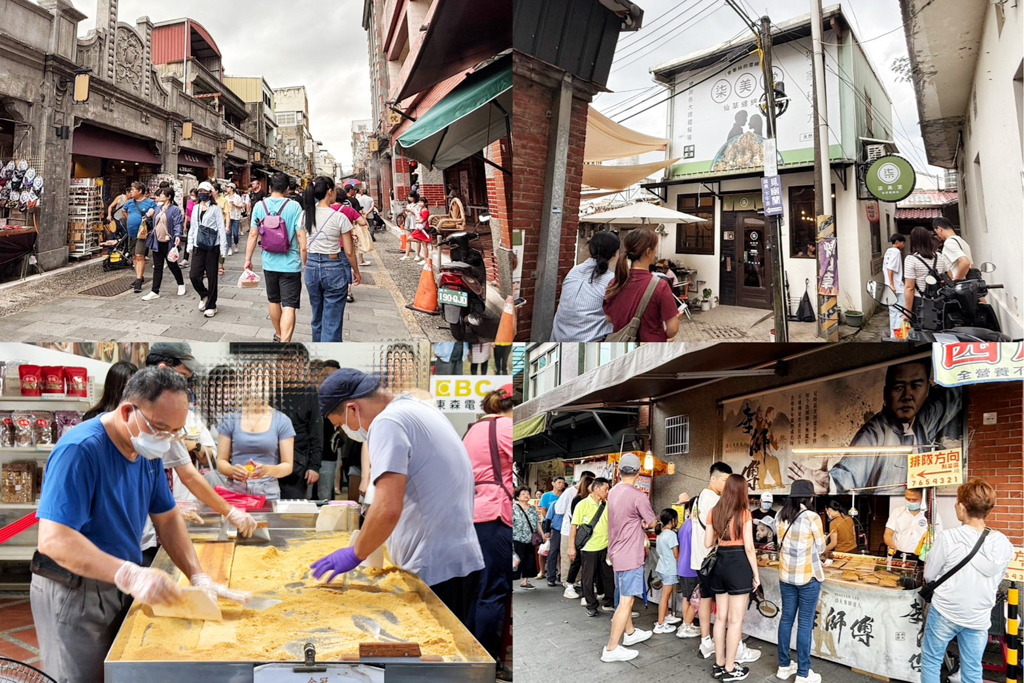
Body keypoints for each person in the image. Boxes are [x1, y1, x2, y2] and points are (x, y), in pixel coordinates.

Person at [30, 368, 247, 683]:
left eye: (176, 432)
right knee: (80, 676)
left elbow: (168, 517)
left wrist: (198, 576)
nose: (168, 439)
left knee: (118, 668)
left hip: (120, 580)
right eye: (160, 428)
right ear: (128, 411)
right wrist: (128, 573)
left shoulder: (148, 451)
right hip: (74, 587)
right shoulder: (81, 450)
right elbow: (54, 540)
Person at [311, 369, 485, 626]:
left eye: (340, 424)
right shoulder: (417, 408)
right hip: (458, 557)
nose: (346, 431)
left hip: (434, 568)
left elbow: (387, 508)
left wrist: (356, 553)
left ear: (352, 409)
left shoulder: (387, 422)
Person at [788, 358, 962, 494]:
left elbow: (951, 397)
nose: (907, 395)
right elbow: (851, 471)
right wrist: (830, 483)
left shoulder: (923, 419)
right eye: (898, 387)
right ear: (886, 393)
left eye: (916, 386)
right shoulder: (874, 433)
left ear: (927, 390)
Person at [144, 344, 258, 538]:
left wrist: (229, 511)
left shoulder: (179, 413)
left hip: (175, 513)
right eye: (182, 377)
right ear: (163, 370)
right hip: (140, 529)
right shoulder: (140, 417)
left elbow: (189, 474)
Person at [921, 478, 1014, 683]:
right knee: (972, 669)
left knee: (931, 661)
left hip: (945, 611)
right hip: (978, 616)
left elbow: (929, 575)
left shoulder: (949, 538)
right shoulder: (1003, 542)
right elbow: (997, 578)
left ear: (962, 507)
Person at [464, 385, 513, 662]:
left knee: (478, 590)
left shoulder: (472, 430)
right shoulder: (506, 428)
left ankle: (470, 654)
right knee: (494, 591)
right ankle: (486, 660)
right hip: (495, 514)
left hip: (471, 513)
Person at [705, 473, 761, 681]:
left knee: (720, 618)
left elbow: (707, 543)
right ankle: (730, 669)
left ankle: (719, 663)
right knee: (735, 621)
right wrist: (756, 575)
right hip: (739, 566)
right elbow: (749, 547)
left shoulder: (714, 512)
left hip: (720, 564)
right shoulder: (744, 513)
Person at [601, 453, 656, 663]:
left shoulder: (613, 492)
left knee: (625, 595)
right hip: (630, 555)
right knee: (626, 601)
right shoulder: (638, 496)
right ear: (639, 471)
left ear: (619, 470)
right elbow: (651, 521)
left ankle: (630, 634)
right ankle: (612, 648)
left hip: (615, 552)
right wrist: (643, 523)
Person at [216, 363, 296, 501]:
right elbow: (221, 461)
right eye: (251, 384)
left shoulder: (282, 421)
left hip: (268, 491)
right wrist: (234, 471)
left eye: (262, 384)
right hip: (236, 490)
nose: (256, 390)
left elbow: (288, 465)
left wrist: (267, 470)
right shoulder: (230, 419)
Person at [246, 171, 308, 343]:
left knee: (274, 300)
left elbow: (253, 235)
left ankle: (279, 334)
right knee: (289, 305)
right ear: (287, 188)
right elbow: (302, 237)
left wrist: (247, 259)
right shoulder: (294, 206)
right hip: (291, 263)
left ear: (270, 187)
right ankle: (285, 342)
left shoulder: (259, 206)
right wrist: (305, 260)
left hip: (269, 262)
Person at [775, 479, 825, 683]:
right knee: (804, 624)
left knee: (786, 619)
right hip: (807, 577)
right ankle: (804, 673)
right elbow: (821, 547)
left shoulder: (781, 516)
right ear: (810, 497)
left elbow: (779, 542)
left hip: (786, 576)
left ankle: (784, 666)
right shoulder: (812, 517)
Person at [303, 176, 360, 342]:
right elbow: (349, 251)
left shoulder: (306, 214)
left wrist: (307, 266)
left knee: (317, 317)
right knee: (332, 321)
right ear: (330, 192)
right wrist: (356, 271)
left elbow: (303, 247)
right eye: (334, 189)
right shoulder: (339, 217)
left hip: (312, 267)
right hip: (334, 267)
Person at [691, 462, 737, 659]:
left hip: (699, 559)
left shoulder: (699, 497)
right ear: (713, 479)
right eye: (725, 480)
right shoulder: (713, 499)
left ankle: (706, 641)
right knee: (720, 603)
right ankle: (726, 644)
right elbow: (721, 531)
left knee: (705, 600)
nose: (727, 485)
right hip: (711, 560)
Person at [603, 228, 682, 342]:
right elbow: (672, 330)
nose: (656, 253)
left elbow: (609, 318)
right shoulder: (660, 285)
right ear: (648, 252)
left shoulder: (615, 282)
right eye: (655, 248)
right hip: (652, 348)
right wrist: (676, 320)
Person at [274, 346, 323, 500]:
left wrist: (314, 466)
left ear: (303, 367)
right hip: (269, 460)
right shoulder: (268, 390)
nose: (289, 368)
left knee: (291, 513)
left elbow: (316, 432)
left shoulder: (309, 393)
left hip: (297, 466)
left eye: (295, 364)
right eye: (285, 362)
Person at [551, 231, 620, 342]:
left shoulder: (574, 271)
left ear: (590, 249)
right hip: (591, 340)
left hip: (558, 336)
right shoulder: (611, 280)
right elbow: (618, 318)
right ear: (615, 253)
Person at [570, 477, 612, 618]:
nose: (607, 491)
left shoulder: (607, 505)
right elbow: (574, 527)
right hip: (589, 548)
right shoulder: (582, 505)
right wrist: (572, 547)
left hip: (605, 547)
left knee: (607, 576)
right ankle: (591, 605)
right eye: (605, 489)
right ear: (596, 489)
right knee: (588, 578)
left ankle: (609, 602)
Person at [186, 180, 228, 319]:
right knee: (194, 275)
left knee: (212, 277)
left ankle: (212, 305)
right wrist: (189, 245)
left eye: (205, 192)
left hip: (212, 247)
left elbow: (221, 228)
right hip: (198, 246)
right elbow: (193, 227)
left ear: (210, 193)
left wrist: (223, 248)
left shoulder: (215, 209)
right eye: (200, 191)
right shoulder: (196, 208)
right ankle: (204, 294)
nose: (202, 194)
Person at [142, 187, 187, 301]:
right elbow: (152, 224)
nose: (159, 196)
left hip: (169, 241)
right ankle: (154, 291)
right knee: (158, 267)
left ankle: (181, 284)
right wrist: (148, 216)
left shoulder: (175, 210)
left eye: (162, 194)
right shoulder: (157, 208)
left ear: (169, 197)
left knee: (172, 264)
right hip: (157, 241)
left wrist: (177, 235)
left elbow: (178, 224)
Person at [903, 225, 953, 324]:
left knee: (922, 334)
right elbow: (950, 277)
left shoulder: (911, 259)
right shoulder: (939, 256)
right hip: (940, 301)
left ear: (913, 241)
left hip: (920, 302)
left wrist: (907, 312)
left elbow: (909, 288)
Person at [885, 487, 942, 563]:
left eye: (914, 500)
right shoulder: (897, 512)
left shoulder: (931, 515)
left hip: (921, 557)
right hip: (899, 555)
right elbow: (887, 533)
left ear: (922, 499)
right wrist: (891, 545)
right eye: (908, 499)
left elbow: (939, 537)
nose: (911, 502)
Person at [122, 181, 157, 294]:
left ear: (140, 191)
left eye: (133, 190)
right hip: (131, 233)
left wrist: (149, 217)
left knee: (139, 255)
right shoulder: (129, 203)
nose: (131, 192)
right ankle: (139, 276)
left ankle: (138, 280)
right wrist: (129, 220)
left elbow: (156, 214)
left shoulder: (149, 203)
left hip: (142, 234)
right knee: (134, 256)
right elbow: (124, 210)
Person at [675, 498, 701, 639]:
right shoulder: (695, 527)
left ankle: (687, 624)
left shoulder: (685, 525)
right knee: (695, 600)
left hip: (683, 567)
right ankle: (686, 625)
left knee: (687, 597)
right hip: (692, 568)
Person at [653, 508, 683, 634]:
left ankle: (665, 616)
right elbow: (677, 554)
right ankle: (660, 624)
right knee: (665, 597)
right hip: (670, 569)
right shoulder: (671, 535)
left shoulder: (660, 534)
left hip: (661, 567)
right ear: (672, 520)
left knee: (665, 596)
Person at [316, 360, 342, 501]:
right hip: (311, 453)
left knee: (325, 493)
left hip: (329, 454)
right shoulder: (312, 398)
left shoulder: (341, 400)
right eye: (325, 376)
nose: (328, 380)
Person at [512, 486, 539, 590]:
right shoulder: (513, 508)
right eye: (523, 494)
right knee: (515, 561)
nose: (526, 495)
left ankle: (525, 581)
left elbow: (537, 523)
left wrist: (541, 534)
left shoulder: (532, 508)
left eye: (527, 493)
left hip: (530, 538)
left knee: (529, 560)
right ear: (517, 497)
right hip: (516, 538)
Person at [933, 217, 976, 281]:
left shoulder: (949, 242)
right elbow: (970, 264)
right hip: (968, 283)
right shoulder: (962, 241)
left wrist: (957, 281)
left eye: (936, 232)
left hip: (960, 286)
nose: (938, 235)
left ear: (939, 229)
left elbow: (965, 262)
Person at [541, 477, 567, 585]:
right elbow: (546, 515)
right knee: (553, 552)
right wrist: (547, 529)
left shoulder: (567, 498)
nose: (561, 485)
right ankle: (551, 576)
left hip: (566, 529)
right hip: (555, 528)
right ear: (553, 483)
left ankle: (562, 574)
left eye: (563, 483)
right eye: (559, 482)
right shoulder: (549, 498)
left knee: (564, 554)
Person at [882, 233, 906, 337]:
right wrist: (892, 284)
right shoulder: (896, 252)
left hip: (888, 287)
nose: (903, 245)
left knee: (893, 312)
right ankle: (899, 336)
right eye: (902, 243)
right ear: (897, 243)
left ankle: (893, 335)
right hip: (896, 287)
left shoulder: (888, 251)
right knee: (901, 312)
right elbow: (890, 268)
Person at [410, 196, 433, 264]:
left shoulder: (426, 211)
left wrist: (417, 221)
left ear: (425, 203)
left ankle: (426, 260)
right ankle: (426, 259)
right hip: (420, 228)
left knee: (424, 244)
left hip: (423, 228)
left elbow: (422, 220)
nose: (420, 203)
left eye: (422, 202)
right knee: (423, 244)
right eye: (419, 202)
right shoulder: (421, 210)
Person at [224, 183, 245, 256]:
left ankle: (236, 244)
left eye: (228, 187)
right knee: (228, 233)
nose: (227, 189)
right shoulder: (226, 197)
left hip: (236, 216)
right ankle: (229, 247)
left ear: (232, 188)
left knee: (235, 233)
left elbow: (241, 206)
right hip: (228, 216)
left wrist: (235, 205)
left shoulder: (237, 197)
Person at [400, 193, 420, 261]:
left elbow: (418, 214)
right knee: (408, 239)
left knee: (417, 239)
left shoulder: (418, 205)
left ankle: (417, 255)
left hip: (415, 222)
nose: (410, 198)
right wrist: (404, 212)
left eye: (411, 197)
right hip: (408, 221)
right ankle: (407, 254)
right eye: (409, 197)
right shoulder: (408, 205)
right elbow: (406, 215)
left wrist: (410, 211)